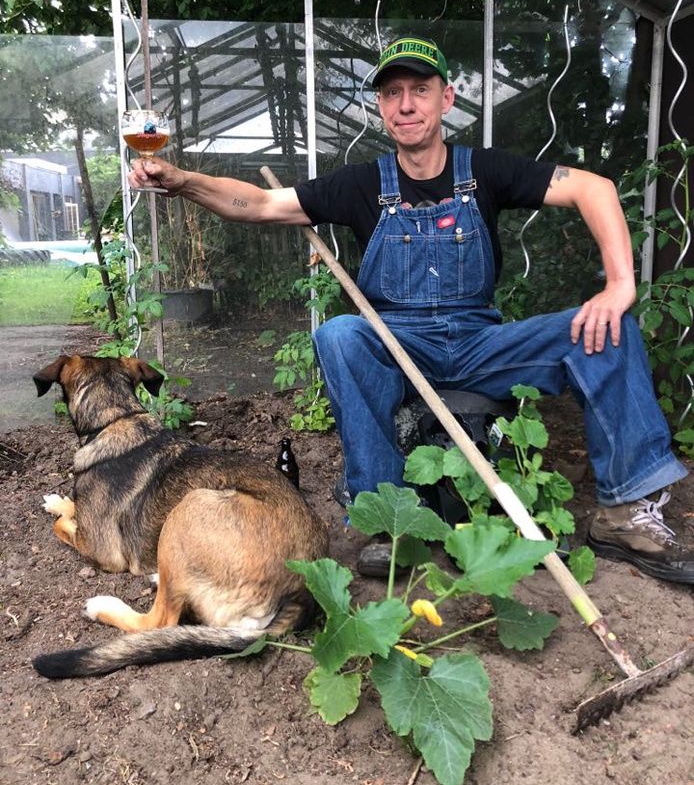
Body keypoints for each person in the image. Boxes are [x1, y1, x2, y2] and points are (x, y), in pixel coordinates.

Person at [128, 35, 692, 583]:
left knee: (608, 328)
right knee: (341, 335)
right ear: (380, 107)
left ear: (446, 98)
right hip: (398, 347)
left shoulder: (486, 171)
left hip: (481, 346)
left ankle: (625, 513)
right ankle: (385, 519)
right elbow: (260, 203)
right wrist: (182, 180)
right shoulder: (363, 184)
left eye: (420, 90)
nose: (406, 104)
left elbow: (592, 187)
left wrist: (620, 285)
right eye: (392, 93)